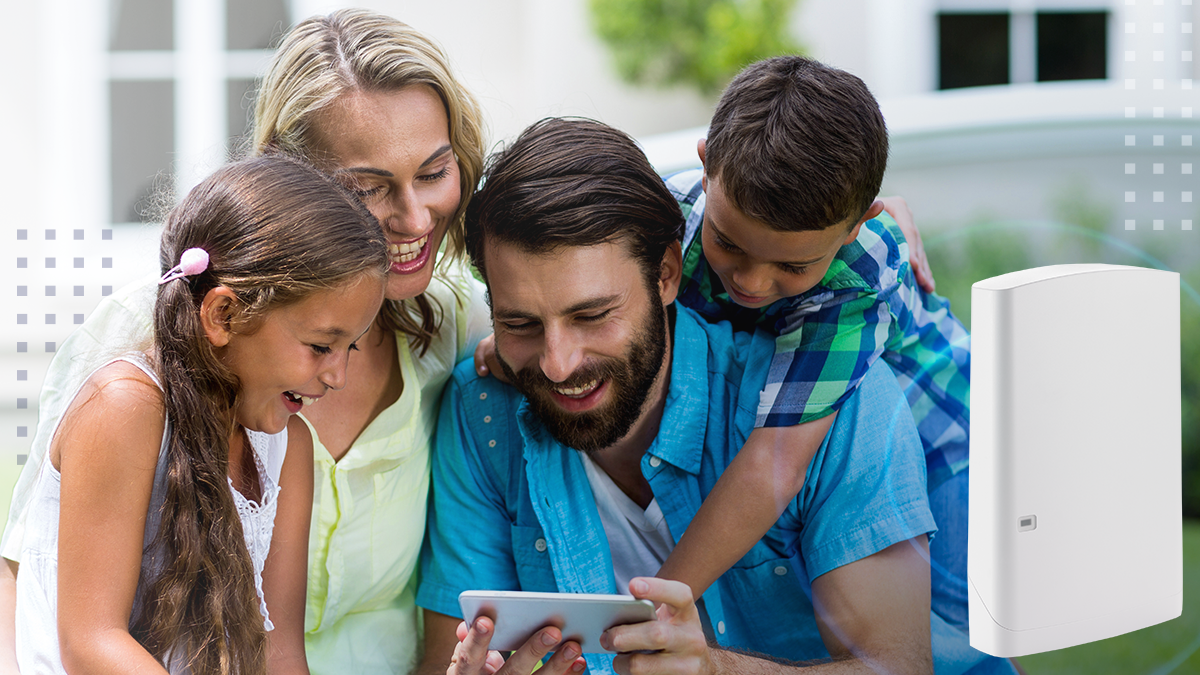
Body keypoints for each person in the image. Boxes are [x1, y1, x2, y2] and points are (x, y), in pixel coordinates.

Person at [416, 118, 1012, 675]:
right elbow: (453, 656)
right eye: (521, 324)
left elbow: (897, 666)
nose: (557, 362)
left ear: (668, 273)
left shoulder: (837, 400)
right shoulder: (482, 411)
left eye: (593, 315)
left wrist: (715, 668)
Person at [1, 10, 491, 674]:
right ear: (292, 184)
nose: (411, 216)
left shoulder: (454, 327)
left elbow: (272, 644)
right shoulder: (132, 362)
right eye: (369, 188)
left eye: (433, 173)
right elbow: (40, 586)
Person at [14, 155, 388, 674]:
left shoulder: (287, 448)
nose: (337, 375)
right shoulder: (126, 407)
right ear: (224, 315)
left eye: (352, 347)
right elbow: (92, 643)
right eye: (321, 345)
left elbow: (278, 654)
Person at [652, 56, 973, 629]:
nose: (751, 281)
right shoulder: (670, 219)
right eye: (728, 244)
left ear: (857, 224)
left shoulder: (860, 271)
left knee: (961, 637)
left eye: (793, 266)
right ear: (706, 166)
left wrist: (662, 603)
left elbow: (775, 465)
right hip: (837, 459)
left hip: (944, 438)